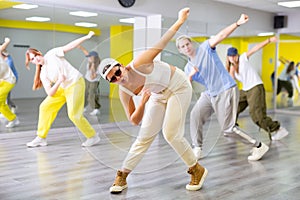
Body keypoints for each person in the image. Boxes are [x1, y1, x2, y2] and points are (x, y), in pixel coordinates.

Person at [99, 8, 207, 193]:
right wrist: (142, 103)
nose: (118, 77)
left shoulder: (139, 64)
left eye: (117, 72)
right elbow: (134, 120)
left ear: (122, 66)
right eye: (113, 78)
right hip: (157, 95)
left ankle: (196, 169)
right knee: (144, 136)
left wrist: (180, 20)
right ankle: (122, 176)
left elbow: (162, 42)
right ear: (111, 82)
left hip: (178, 86)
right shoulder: (124, 91)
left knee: (171, 133)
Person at [176, 14, 269, 161]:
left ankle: (258, 146)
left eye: (187, 44)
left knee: (228, 129)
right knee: (195, 115)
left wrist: (237, 23)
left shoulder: (206, 48)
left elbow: (221, 35)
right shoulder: (188, 67)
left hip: (226, 90)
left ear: (191, 44)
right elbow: (186, 84)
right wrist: (191, 75)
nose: (186, 47)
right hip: (210, 93)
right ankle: (197, 148)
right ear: (180, 51)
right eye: (182, 47)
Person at [25, 31, 100, 147]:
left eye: (36, 56)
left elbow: (70, 46)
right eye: (32, 59)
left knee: (74, 114)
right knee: (45, 107)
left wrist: (87, 37)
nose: (36, 59)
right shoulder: (43, 73)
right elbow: (50, 93)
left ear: (39, 53)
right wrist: (59, 81)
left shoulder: (52, 54)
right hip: (62, 87)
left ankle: (93, 136)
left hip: (75, 83)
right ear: (32, 62)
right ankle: (41, 137)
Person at [225, 36, 289, 141]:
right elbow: (231, 82)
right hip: (246, 90)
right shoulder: (231, 67)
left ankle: (278, 129)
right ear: (227, 57)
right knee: (233, 106)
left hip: (255, 87)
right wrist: (232, 69)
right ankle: (232, 128)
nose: (233, 58)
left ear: (237, 55)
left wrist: (269, 40)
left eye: (234, 56)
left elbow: (256, 48)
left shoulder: (243, 59)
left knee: (257, 116)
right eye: (230, 56)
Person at [0, 38, 20, 128]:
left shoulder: (7, 58)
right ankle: (13, 119)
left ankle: (13, 119)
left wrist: (7, 42)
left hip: (9, 80)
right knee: (1, 104)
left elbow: (2, 48)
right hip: (2, 81)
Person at [77, 45, 101, 116]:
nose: (89, 58)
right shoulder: (89, 62)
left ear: (95, 58)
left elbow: (93, 77)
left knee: (92, 94)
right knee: (85, 94)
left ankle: (96, 109)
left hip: (94, 81)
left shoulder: (99, 66)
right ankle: (83, 107)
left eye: (90, 57)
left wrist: (93, 66)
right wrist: (81, 47)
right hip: (87, 80)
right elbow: (86, 53)